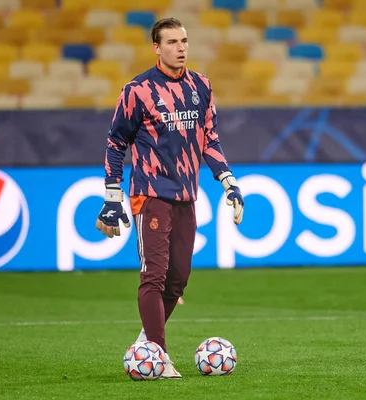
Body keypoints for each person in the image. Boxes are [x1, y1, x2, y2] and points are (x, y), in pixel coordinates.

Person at [95, 18, 244, 379]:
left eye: (185, 40)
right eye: (173, 41)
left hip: (186, 195)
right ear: (156, 48)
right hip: (150, 194)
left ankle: (145, 344)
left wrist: (228, 181)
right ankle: (158, 357)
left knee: (178, 280)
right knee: (154, 276)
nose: (181, 47)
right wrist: (112, 194)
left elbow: (209, 138)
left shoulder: (200, 86)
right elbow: (117, 142)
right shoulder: (138, 90)